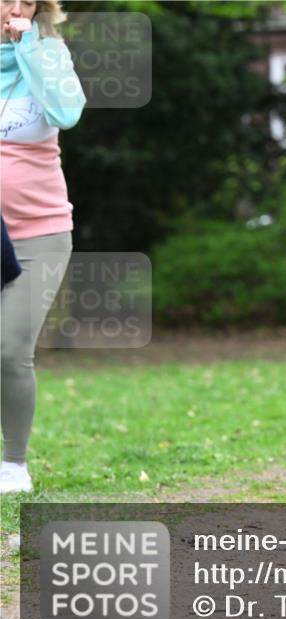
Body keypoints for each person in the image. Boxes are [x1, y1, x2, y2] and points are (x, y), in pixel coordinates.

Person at [1, 0, 86, 494]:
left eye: (28, 1)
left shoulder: (49, 52)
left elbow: (65, 112)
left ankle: (14, 463)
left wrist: (28, 47)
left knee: (10, 349)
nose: (16, 8)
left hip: (39, 231)